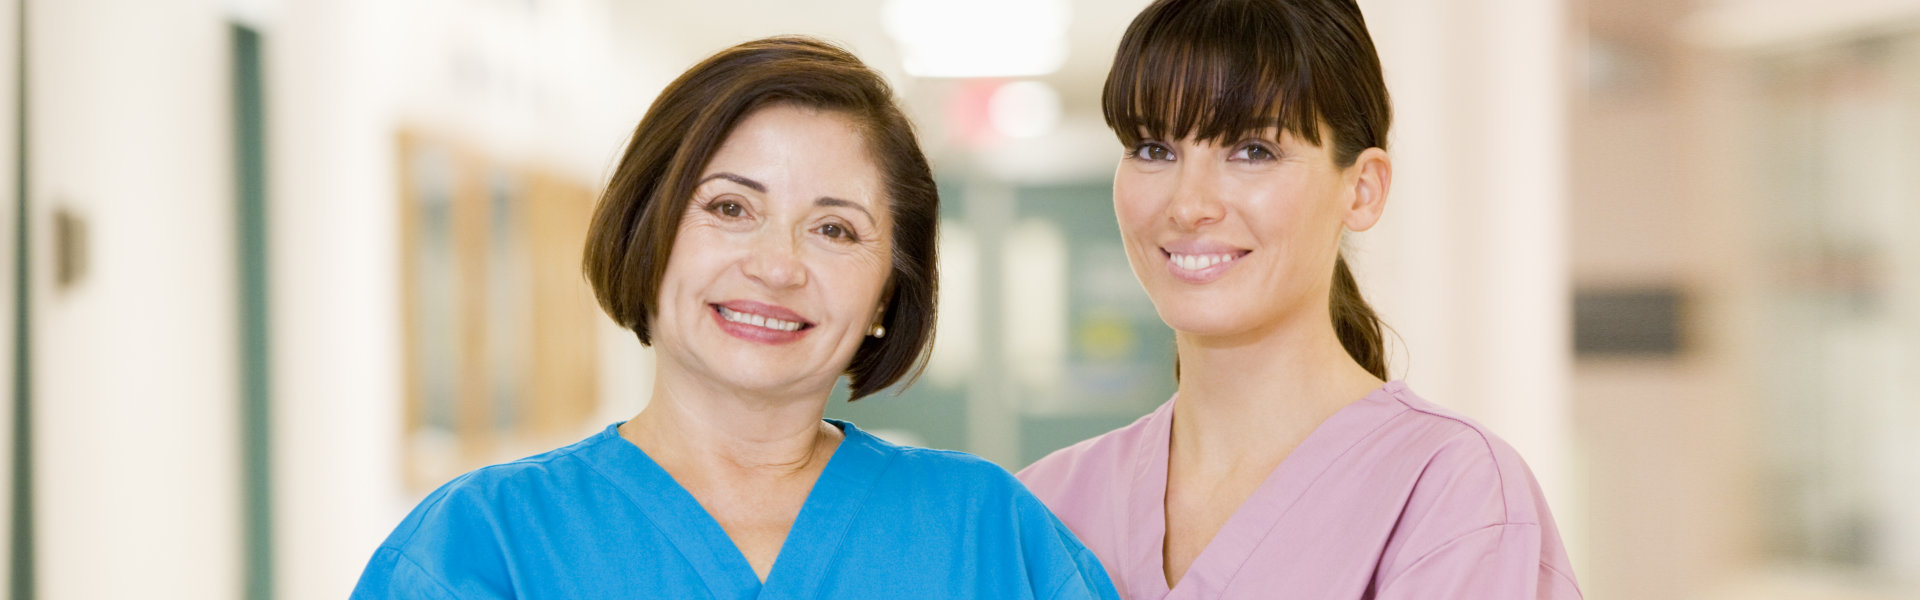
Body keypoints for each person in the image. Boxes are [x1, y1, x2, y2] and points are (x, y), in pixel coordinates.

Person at [352, 36, 1118, 600]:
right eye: (729, 207)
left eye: (835, 229)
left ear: (890, 289)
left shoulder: (989, 536)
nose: (776, 265)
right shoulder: (485, 546)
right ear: (648, 231)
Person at [1016, 1, 1582, 598]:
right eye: (1154, 149)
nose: (1188, 204)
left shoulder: (1451, 496)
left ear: (1361, 190)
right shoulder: (1042, 507)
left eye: (1252, 150)